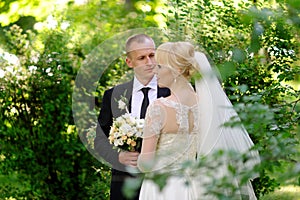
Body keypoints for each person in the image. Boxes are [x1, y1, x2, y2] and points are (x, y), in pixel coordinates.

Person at [137, 41, 260, 199]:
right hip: (198, 185)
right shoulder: (207, 104)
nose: (155, 71)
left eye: (159, 66)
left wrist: (135, 150)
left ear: (178, 70)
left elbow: (146, 164)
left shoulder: (158, 108)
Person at [94, 34, 170, 200]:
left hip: (165, 181)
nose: (149, 62)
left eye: (152, 55)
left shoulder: (172, 91)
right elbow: (99, 138)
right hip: (124, 183)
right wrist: (118, 156)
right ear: (130, 62)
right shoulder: (113, 95)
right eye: (142, 58)